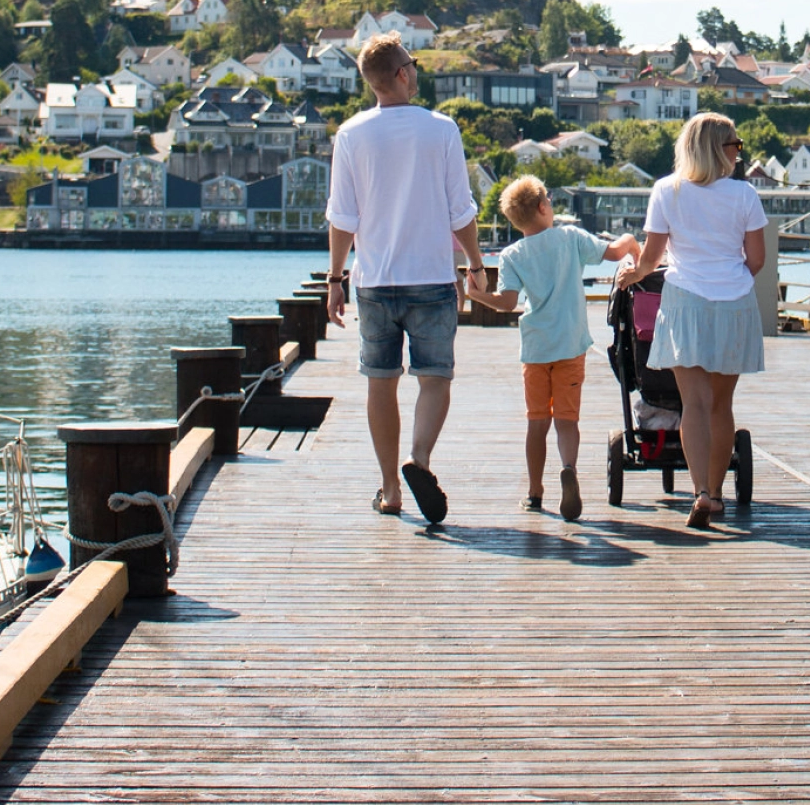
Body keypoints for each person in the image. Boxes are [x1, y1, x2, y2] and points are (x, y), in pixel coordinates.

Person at [325, 33, 480, 525]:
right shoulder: (441, 129)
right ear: (402, 74)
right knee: (434, 376)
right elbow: (461, 211)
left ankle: (391, 489)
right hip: (431, 277)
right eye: (412, 64)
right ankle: (420, 459)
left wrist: (335, 278)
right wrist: (474, 265)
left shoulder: (350, 134)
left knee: (380, 382)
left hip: (373, 280)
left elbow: (342, 218)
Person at [614, 111, 766, 529]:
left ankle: (699, 492)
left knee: (694, 404)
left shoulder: (668, 190)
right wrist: (729, 278)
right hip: (733, 302)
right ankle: (716, 495)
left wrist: (635, 275)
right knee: (721, 405)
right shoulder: (744, 196)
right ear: (719, 150)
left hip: (685, 302)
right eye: (735, 146)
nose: (738, 154)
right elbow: (756, 260)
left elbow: (651, 258)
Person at [467, 176, 637, 520]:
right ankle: (569, 469)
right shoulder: (570, 238)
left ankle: (534, 493)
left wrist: (475, 295)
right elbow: (615, 252)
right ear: (544, 207)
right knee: (567, 421)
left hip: (535, 349)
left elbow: (507, 301)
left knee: (536, 422)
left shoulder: (513, 254)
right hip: (571, 346)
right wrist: (631, 241)